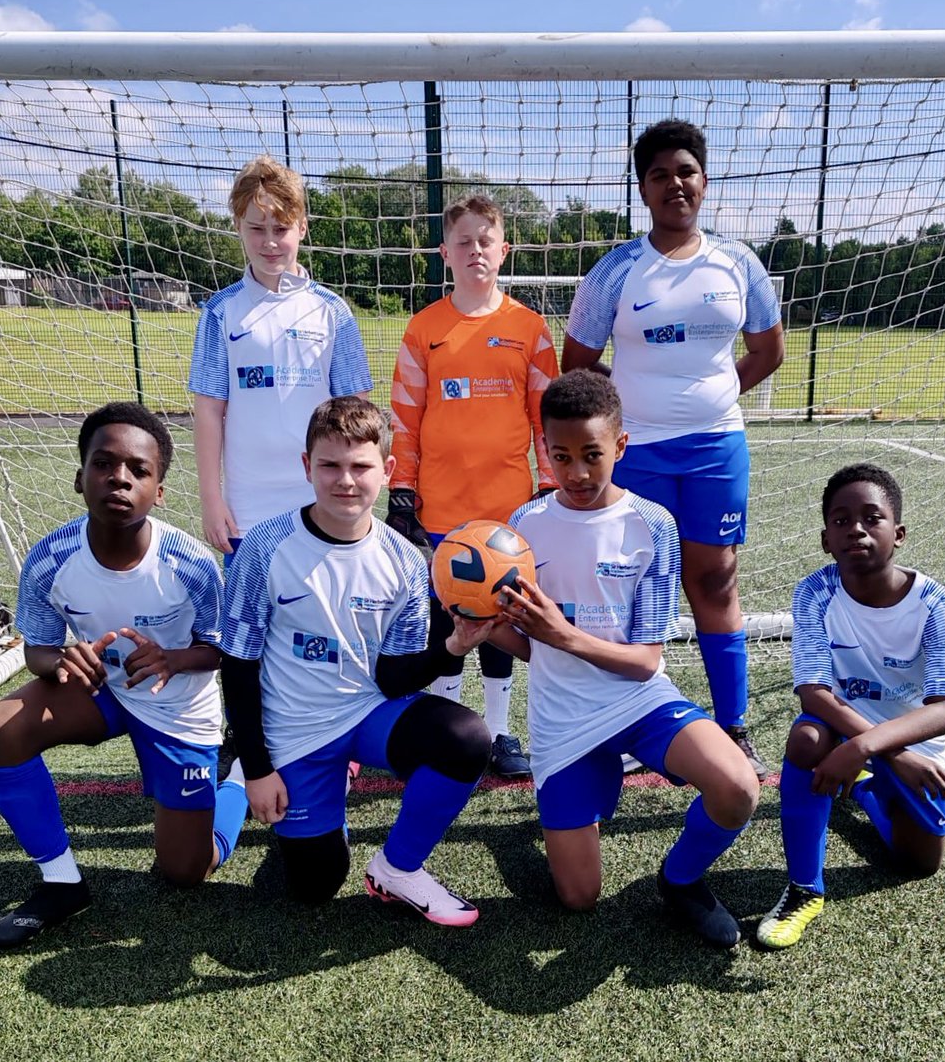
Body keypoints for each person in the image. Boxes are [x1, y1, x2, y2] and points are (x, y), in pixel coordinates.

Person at [456, 370, 760, 946]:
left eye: (592, 455)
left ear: (620, 447)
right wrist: (486, 631)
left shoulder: (653, 525)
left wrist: (562, 634)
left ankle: (681, 879)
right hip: (562, 718)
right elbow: (530, 646)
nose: (575, 473)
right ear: (542, 449)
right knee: (578, 899)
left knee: (739, 787)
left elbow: (645, 662)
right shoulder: (524, 527)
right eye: (561, 455)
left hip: (639, 700)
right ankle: (584, 787)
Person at [561, 119, 785, 780]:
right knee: (634, 587)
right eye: (660, 175)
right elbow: (578, 364)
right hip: (641, 455)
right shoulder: (617, 270)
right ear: (644, 189)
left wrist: (714, 395)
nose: (674, 184)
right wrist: (632, 411)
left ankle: (733, 725)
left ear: (704, 181)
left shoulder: (739, 262)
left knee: (714, 580)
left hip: (718, 448)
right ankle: (628, 727)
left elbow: (769, 350)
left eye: (685, 171)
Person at [0, 403, 248, 948]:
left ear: (160, 491)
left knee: (184, 873)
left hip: (178, 704)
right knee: (3, 725)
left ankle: (238, 779)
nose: (119, 477)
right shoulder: (50, 557)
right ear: (81, 477)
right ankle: (61, 882)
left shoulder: (193, 563)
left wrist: (174, 658)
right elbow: (38, 647)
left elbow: (221, 651)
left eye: (138, 470)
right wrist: (58, 662)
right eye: (104, 463)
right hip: (104, 692)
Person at [220, 396, 492, 926]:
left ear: (386, 471)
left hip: (369, 714)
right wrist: (256, 769)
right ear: (307, 467)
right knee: (315, 885)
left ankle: (399, 868)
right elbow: (238, 664)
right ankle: (301, 788)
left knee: (465, 739)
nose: (346, 480)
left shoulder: (407, 562)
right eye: (330, 465)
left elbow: (394, 678)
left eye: (361, 466)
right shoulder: (263, 547)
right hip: (294, 731)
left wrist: (453, 647)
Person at [755, 463, 945, 950]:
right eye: (840, 520)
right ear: (826, 539)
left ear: (899, 533)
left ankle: (867, 788)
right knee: (806, 738)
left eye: (872, 518)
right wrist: (865, 747)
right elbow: (813, 693)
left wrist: (874, 750)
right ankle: (804, 888)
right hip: (845, 731)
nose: (855, 528)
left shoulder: (936, 604)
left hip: (914, 742)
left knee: (919, 865)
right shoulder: (815, 592)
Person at [388, 194, 558, 778]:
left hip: (509, 511)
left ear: (503, 250)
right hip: (440, 508)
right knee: (446, 622)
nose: (475, 250)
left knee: (500, 626)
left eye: (486, 240)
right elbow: (405, 417)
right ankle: (447, 728)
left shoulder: (529, 329)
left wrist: (551, 485)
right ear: (445, 254)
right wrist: (402, 490)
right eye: (464, 241)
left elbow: (544, 417)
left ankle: (502, 733)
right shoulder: (424, 329)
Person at [189, 154, 372, 566]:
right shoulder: (221, 310)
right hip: (247, 505)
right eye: (256, 228)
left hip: (320, 496)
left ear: (303, 228)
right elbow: (207, 411)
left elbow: (357, 412)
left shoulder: (332, 311)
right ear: (237, 226)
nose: (269, 241)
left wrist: (356, 491)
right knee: (249, 624)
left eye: (281, 229)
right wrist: (211, 499)